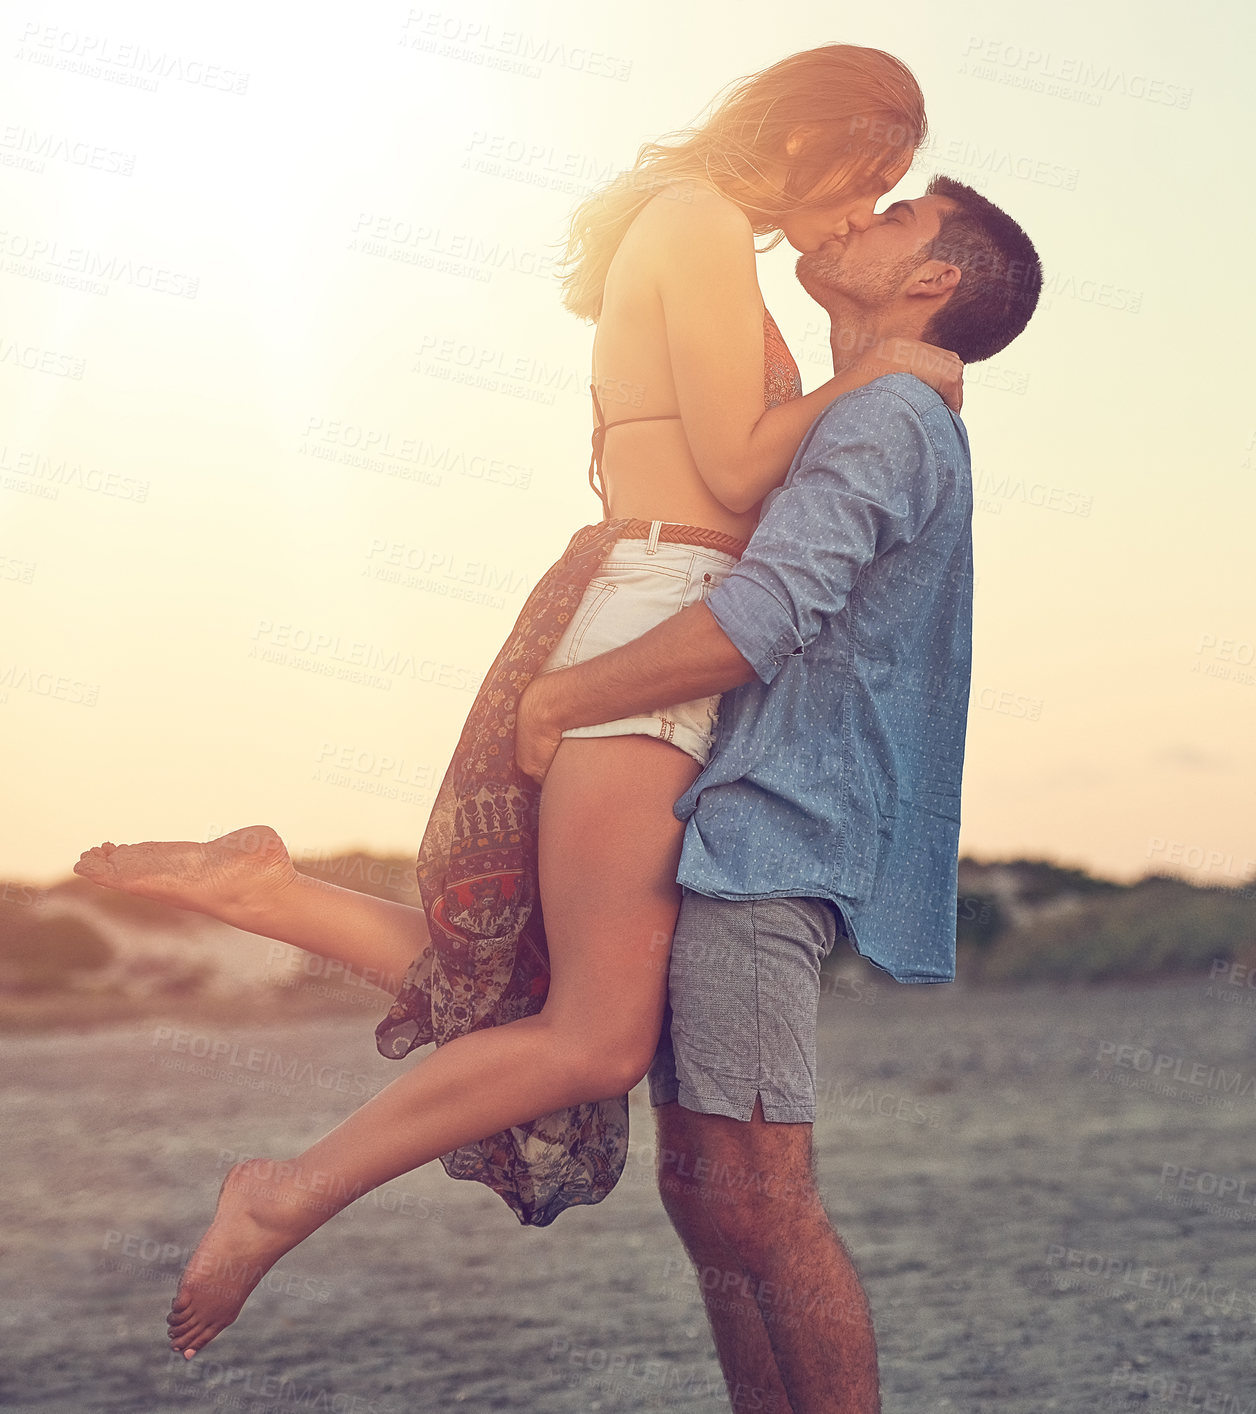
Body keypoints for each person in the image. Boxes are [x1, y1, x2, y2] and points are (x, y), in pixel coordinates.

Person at [71, 44, 963, 1362]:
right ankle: (282, 1192)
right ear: (811, 137)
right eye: (867, 176)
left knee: (549, 985)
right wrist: (882, 375)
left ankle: (278, 898)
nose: (855, 209)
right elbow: (728, 461)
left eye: (889, 194)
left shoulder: (690, 228)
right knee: (597, 1037)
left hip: (652, 591)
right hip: (664, 605)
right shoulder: (704, 223)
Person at [512, 173, 1044, 1414]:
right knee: (704, 1189)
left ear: (933, 283)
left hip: (774, 835)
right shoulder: (854, 411)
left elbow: (755, 621)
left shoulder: (887, 421)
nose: (856, 218)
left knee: (758, 1192)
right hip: (737, 826)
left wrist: (560, 699)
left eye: (895, 215)